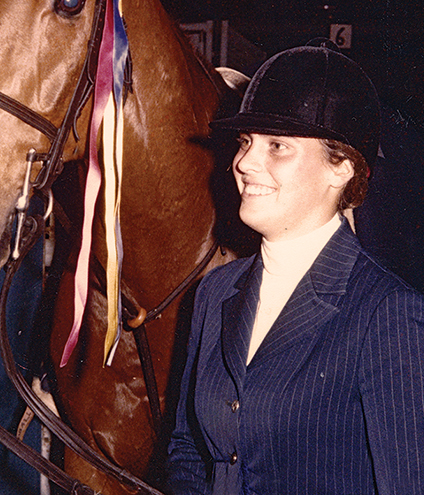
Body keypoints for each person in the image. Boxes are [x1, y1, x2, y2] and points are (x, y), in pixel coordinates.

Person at [167, 39, 424, 495]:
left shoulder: (386, 312)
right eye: (246, 142)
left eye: (277, 146)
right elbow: (188, 452)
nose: (244, 161)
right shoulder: (215, 292)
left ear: (341, 167)